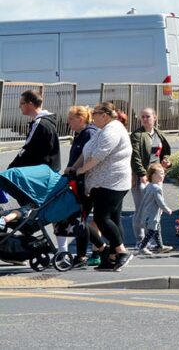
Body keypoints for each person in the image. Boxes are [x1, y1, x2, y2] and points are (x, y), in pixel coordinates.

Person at [67, 102, 133, 271]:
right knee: (114, 220)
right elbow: (86, 152)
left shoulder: (112, 130)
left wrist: (80, 171)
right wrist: (74, 167)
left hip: (111, 182)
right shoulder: (103, 130)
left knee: (101, 219)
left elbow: (98, 156)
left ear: (104, 115)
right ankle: (111, 259)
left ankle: (122, 252)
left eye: (95, 113)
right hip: (105, 182)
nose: (92, 115)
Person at [60, 106, 105, 267]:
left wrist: (74, 170)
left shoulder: (89, 133)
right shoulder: (80, 134)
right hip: (77, 181)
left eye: (71, 118)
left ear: (80, 119)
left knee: (81, 219)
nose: (68, 122)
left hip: (85, 183)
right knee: (80, 219)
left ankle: (94, 251)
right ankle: (82, 255)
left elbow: (88, 157)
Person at [130, 108, 172, 244]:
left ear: (155, 117)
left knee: (156, 209)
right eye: (142, 117)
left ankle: (154, 240)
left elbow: (165, 151)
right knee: (141, 208)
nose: (145, 119)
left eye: (148, 116)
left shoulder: (159, 134)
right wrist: (142, 173)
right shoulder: (137, 135)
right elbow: (135, 156)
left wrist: (166, 160)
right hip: (141, 176)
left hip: (156, 176)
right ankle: (140, 239)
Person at [9, 89, 60, 172]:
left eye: (22, 103)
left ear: (30, 104)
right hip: (48, 169)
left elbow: (27, 149)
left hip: (41, 172)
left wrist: (11, 168)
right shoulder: (44, 122)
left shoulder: (40, 123)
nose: (19, 106)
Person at [135, 164, 173, 255]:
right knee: (152, 231)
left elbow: (145, 194)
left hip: (148, 213)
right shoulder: (157, 189)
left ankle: (160, 246)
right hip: (152, 215)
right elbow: (160, 202)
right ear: (153, 175)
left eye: (164, 173)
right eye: (161, 173)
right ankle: (142, 247)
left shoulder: (149, 186)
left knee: (157, 229)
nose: (163, 175)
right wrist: (167, 209)